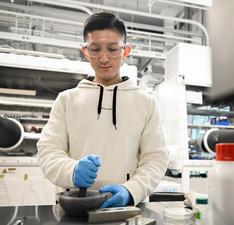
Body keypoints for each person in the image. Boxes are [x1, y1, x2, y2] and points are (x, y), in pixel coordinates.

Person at [37, 12, 169, 208]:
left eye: (113, 49)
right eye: (95, 49)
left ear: (126, 51)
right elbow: (48, 152)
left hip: (127, 208)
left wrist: (131, 190)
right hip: (76, 205)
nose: (104, 58)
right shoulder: (66, 100)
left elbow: (156, 159)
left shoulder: (145, 102)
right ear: (85, 51)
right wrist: (72, 171)